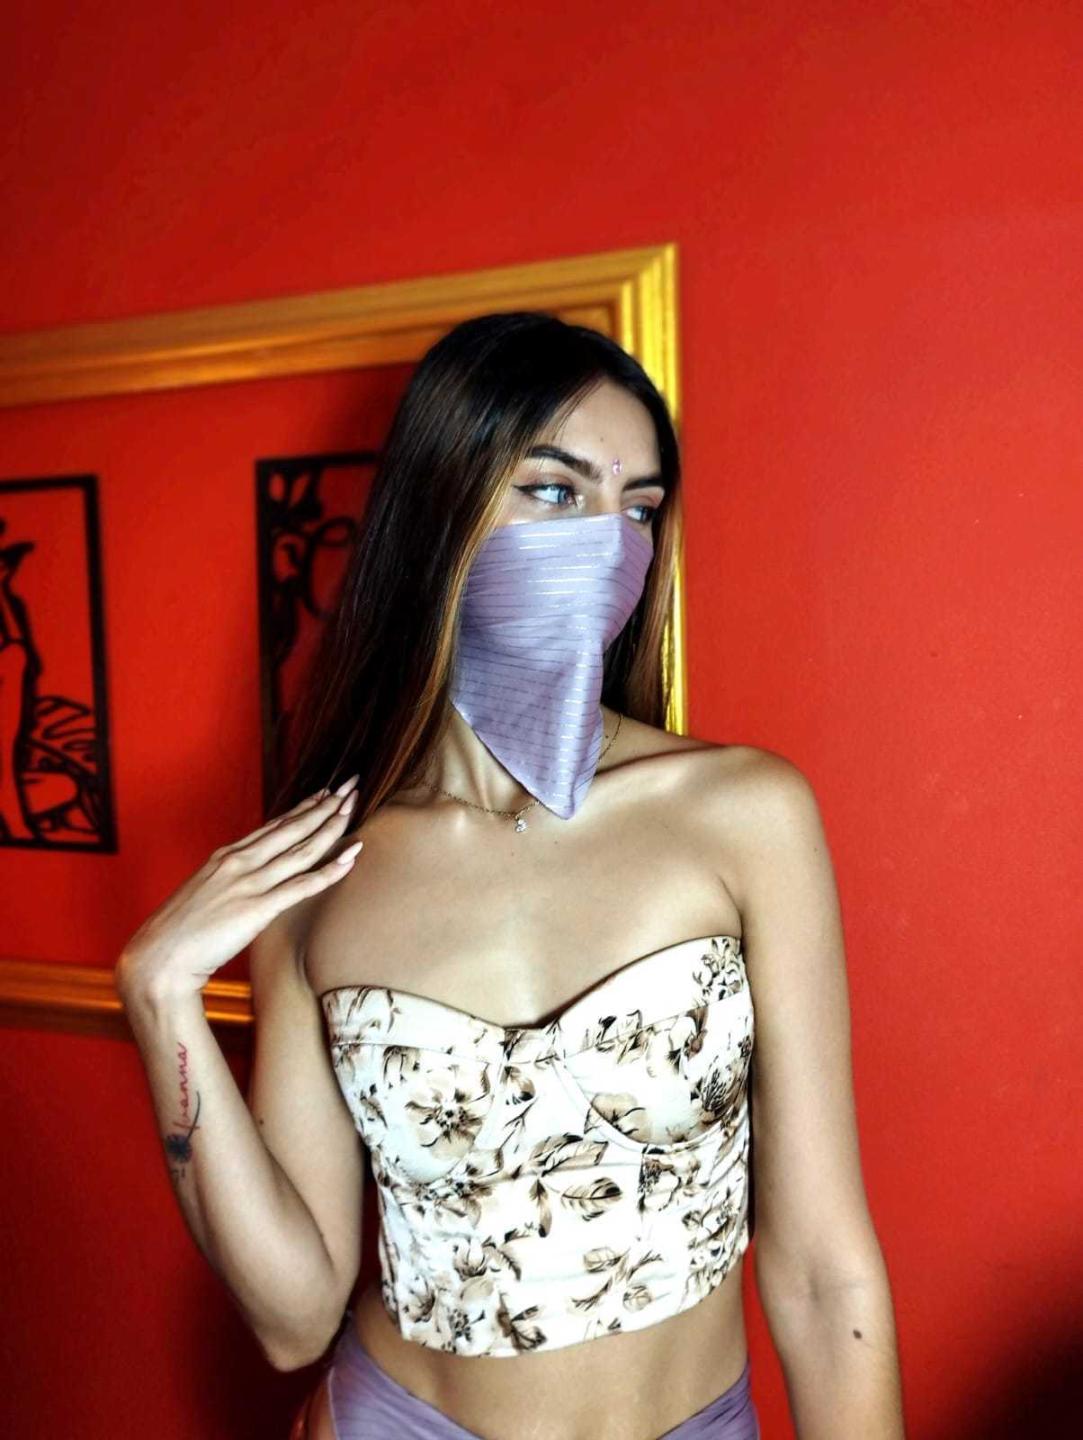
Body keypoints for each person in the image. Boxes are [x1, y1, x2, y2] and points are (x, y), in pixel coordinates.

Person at [116, 312, 906, 1439]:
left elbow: (826, 1274)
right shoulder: (320, 870)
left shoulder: (744, 815)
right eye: (553, 490)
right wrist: (160, 996)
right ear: (441, 509)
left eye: (637, 508)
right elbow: (292, 1319)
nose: (608, 544)